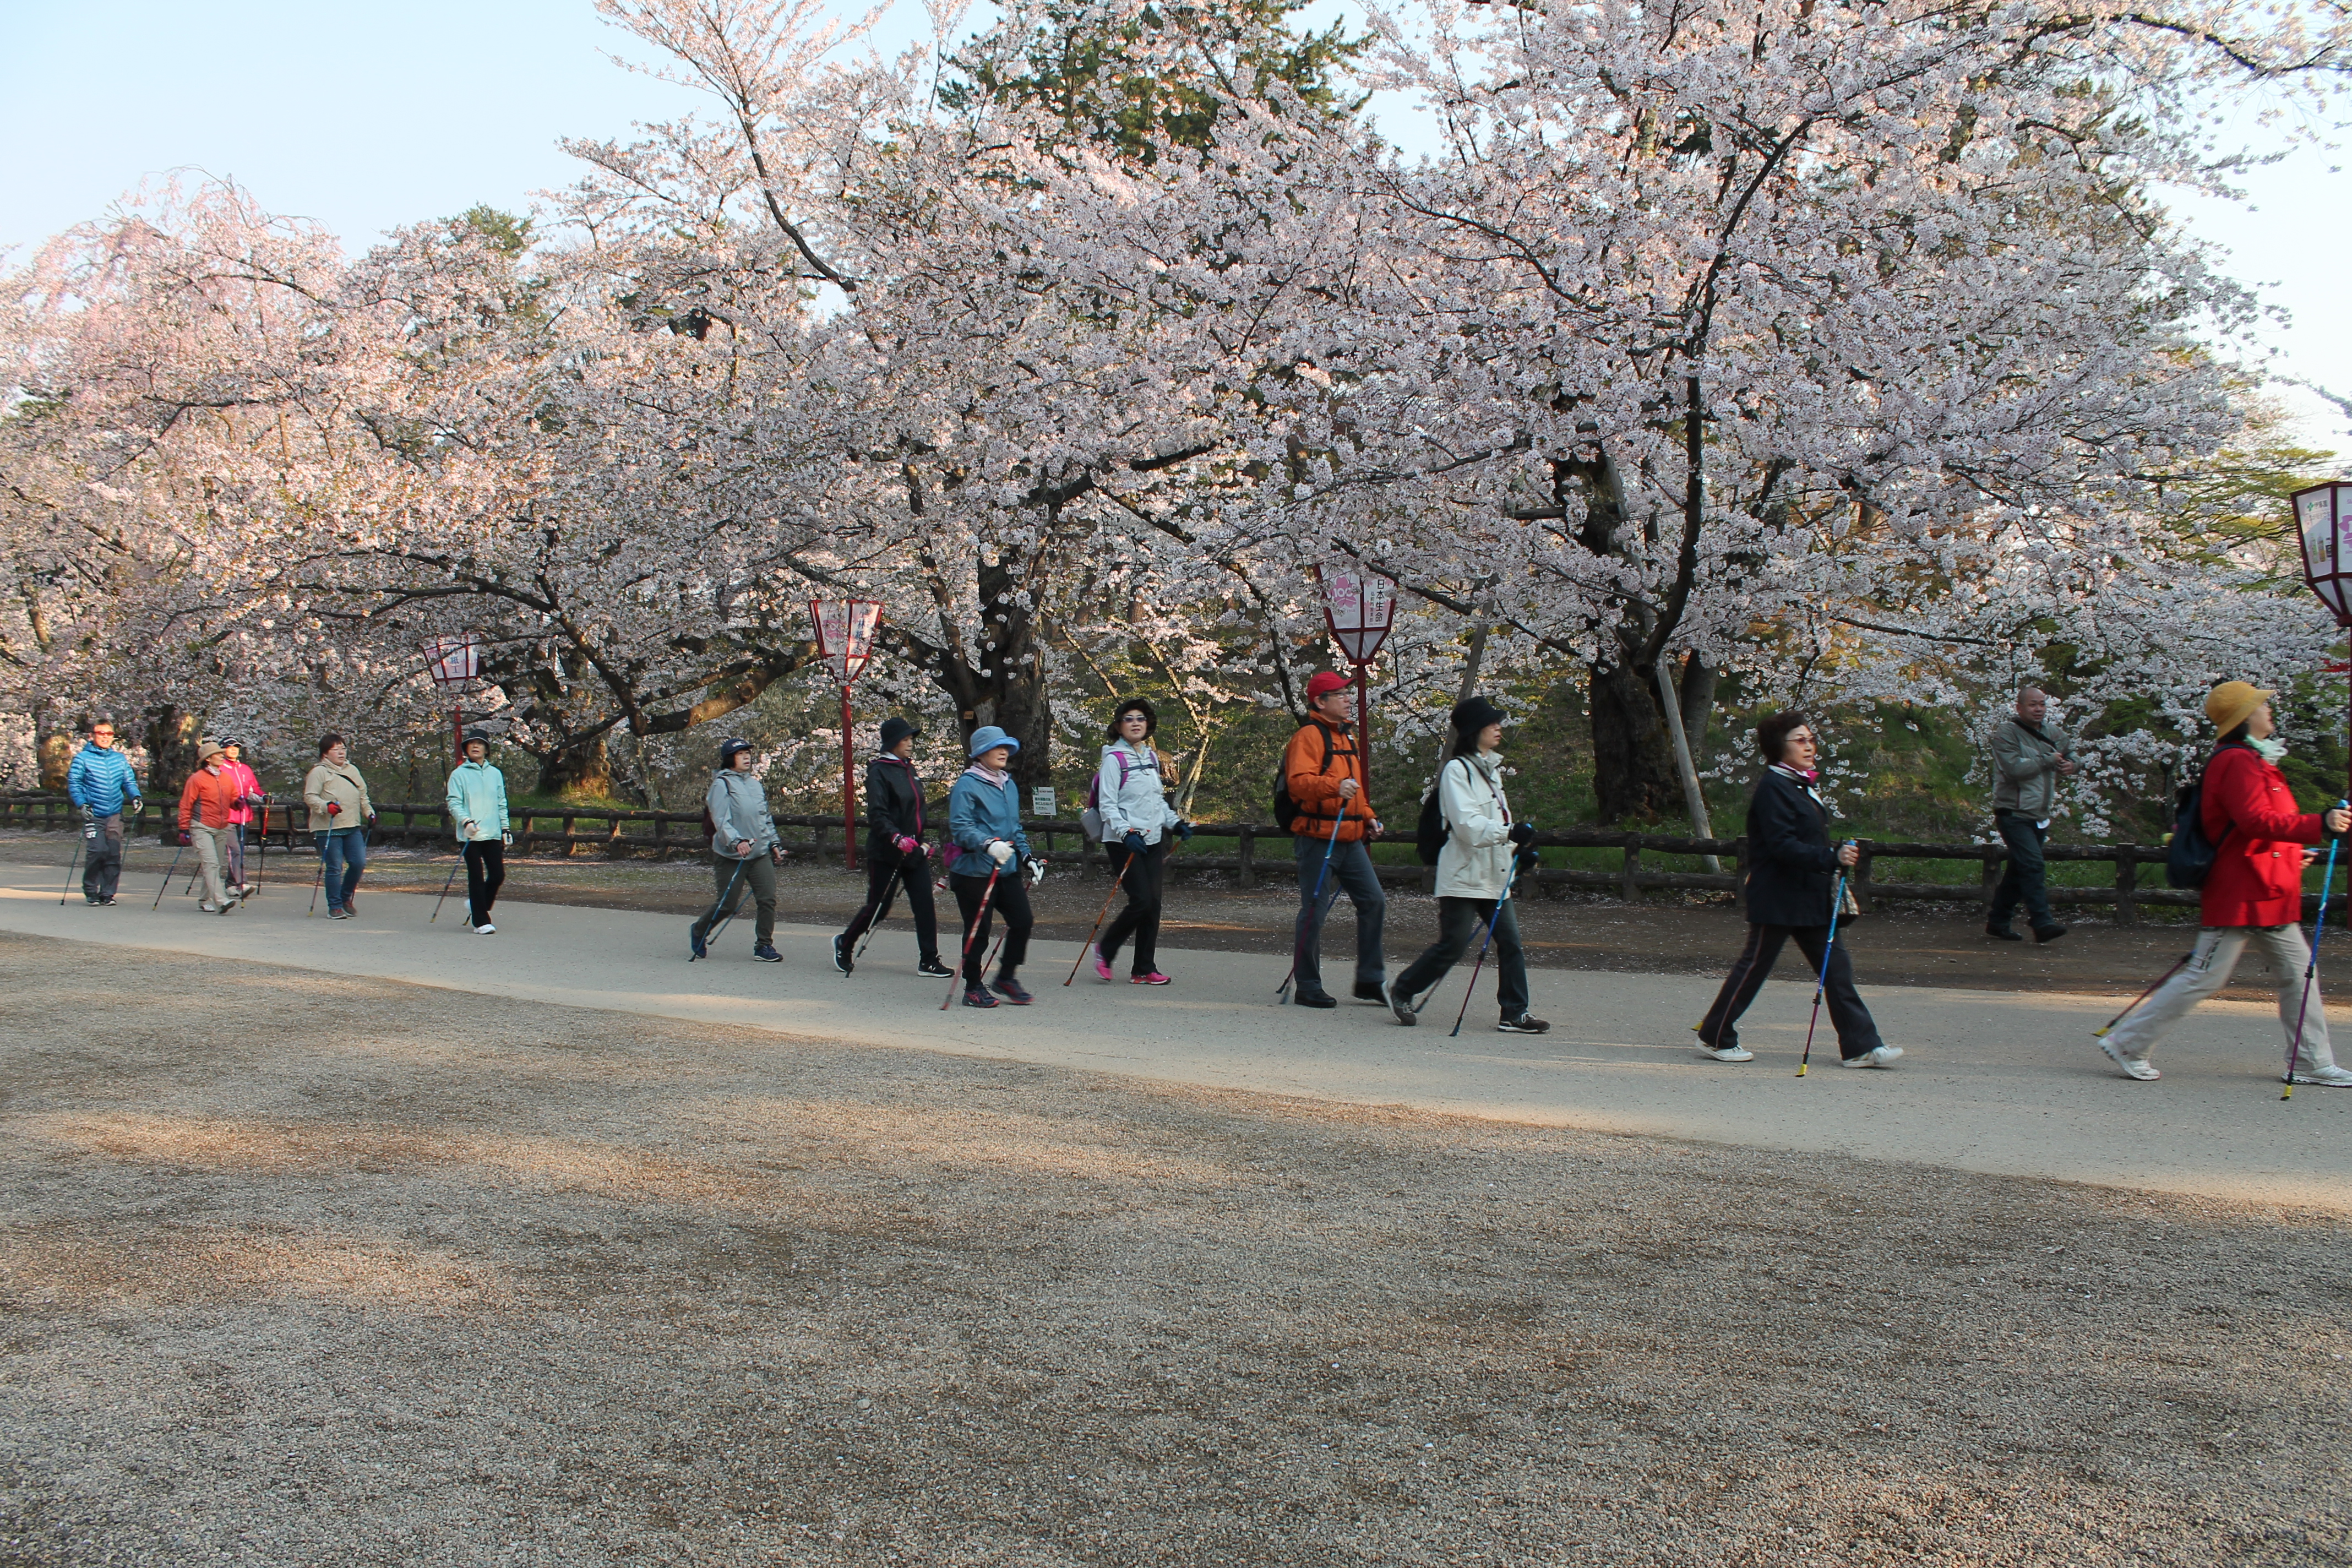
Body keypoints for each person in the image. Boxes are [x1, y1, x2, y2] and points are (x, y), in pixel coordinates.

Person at [2096, 682, 2352, 1085]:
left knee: (2298, 973)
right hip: (2241, 890)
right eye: (2261, 704)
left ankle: (2310, 1062)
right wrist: (2319, 825)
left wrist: (2292, 853)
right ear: (2244, 716)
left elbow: (2258, 830)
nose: (2269, 708)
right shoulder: (2237, 761)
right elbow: (2255, 822)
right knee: (2206, 976)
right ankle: (2128, 1043)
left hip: (2265, 889)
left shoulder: (2254, 760)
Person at [1694, 711, 1902, 1068]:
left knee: (1837, 969)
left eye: (1810, 739)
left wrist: (1832, 857)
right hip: (1777, 896)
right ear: (1779, 747)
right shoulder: (1773, 788)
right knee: (1754, 967)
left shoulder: (1798, 785)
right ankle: (1715, 1035)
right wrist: (1831, 856)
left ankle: (1861, 1046)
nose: (1810, 746)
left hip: (1809, 896)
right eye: (1800, 740)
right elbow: (1781, 846)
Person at [1385, 697, 1550, 1033]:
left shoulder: (1491, 771)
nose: (1498, 727)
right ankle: (1402, 990)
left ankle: (1514, 1012)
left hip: (1494, 876)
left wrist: (1518, 853)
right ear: (1474, 730)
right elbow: (1467, 826)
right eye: (1492, 723)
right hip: (1462, 876)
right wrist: (1509, 833)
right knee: (1454, 944)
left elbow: (1496, 824)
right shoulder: (1457, 771)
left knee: (1512, 942)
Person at [1283, 670, 1387, 1009]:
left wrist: (1369, 817)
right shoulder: (1308, 737)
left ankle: (1371, 980)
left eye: (1347, 693)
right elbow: (1299, 782)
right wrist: (1333, 787)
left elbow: (1356, 792)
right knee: (1314, 909)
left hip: (1351, 838)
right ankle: (1308, 985)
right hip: (1317, 838)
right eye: (1340, 695)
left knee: (1373, 901)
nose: (1347, 699)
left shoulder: (1348, 738)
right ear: (1319, 702)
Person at [834, 717, 951, 978]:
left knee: (924, 904)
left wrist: (923, 840)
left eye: (911, 739)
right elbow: (877, 814)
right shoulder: (879, 771)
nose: (910, 744)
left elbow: (917, 811)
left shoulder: (909, 769)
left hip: (914, 852)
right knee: (879, 907)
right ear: (892, 743)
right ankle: (845, 942)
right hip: (887, 852)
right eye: (905, 740)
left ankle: (929, 960)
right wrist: (896, 838)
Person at [1089, 698, 1191, 985]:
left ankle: (1144, 968)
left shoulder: (1151, 757)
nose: (1136, 723)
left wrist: (1176, 823)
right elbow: (1108, 805)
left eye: (1141, 718)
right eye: (1129, 718)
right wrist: (1126, 832)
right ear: (1119, 726)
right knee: (1141, 900)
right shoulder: (1113, 759)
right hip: (1124, 841)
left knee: (1154, 904)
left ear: (1148, 725)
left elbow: (1156, 802)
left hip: (1152, 839)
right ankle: (1105, 950)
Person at [948, 725, 1041, 1008]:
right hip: (974, 871)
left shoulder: (1008, 784)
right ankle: (973, 987)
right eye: (996, 747)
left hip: (1006, 869)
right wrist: (987, 843)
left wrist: (1027, 858)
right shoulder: (967, 784)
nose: (1003, 752)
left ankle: (1006, 977)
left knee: (1023, 921)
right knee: (979, 930)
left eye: (1006, 747)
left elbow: (1015, 828)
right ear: (980, 754)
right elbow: (960, 827)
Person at [1988, 686, 2076, 943]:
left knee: (2019, 870)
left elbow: (2070, 752)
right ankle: (2042, 921)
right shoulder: (2007, 733)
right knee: (2033, 864)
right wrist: (2048, 760)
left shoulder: (2053, 733)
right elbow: (2014, 768)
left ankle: (1998, 921)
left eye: (2042, 705)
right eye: (2033, 705)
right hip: (2013, 812)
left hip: (2040, 814)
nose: (2039, 709)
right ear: (2019, 707)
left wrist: (2073, 764)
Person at [689, 737, 785, 962]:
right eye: (741, 754)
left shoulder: (754, 784)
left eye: (748, 753)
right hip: (731, 854)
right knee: (727, 905)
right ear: (729, 759)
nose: (747, 757)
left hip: (759, 853)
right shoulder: (721, 784)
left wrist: (775, 844)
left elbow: (765, 819)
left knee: (768, 899)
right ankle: (699, 930)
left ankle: (764, 946)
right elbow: (721, 820)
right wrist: (737, 841)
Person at [65, 714, 139, 906]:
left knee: (113, 853)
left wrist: (136, 797)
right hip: (94, 813)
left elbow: (128, 781)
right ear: (92, 736)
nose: (105, 737)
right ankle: (91, 890)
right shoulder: (83, 759)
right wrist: (82, 803)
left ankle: (108, 893)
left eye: (109, 734)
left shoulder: (119, 759)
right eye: (101, 733)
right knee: (97, 851)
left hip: (114, 813)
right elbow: (74, 783)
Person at [303, 734, 377, 920]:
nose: (341, 752)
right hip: (328, 827)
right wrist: (325, 806)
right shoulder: (318, 772)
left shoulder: (352, 770)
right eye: (336, 749)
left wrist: (369, 812)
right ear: (325, 754)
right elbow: (310, 797)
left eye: (343, 748)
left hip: (352, 825)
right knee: (335, 867)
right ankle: (334, 906)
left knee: (358, 863)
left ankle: (345, 898)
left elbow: (363, 795)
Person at [445, 729, 511, 935]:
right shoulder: (459, 774)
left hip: (491, 832)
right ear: (466, 749)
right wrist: (466, 821)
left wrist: (505, 828)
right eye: (471, 743)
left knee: (498, 875)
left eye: (480, 743)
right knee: (476, 876)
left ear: (486, 749)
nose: (476, 747)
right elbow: (453, 802)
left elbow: (501, 802)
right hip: (470, 834)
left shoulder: (495, 774)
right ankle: (481, 921)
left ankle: (477, 904)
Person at [176, 737, 241, 914]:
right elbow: (186, 805)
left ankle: (204, 899)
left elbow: (232, 798)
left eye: (221, 753)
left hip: (221, 827)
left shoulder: (226, 778)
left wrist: (238, 803)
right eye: (217, 754)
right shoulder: (196, 779)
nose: (221, 756)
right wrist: (183, 828)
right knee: (211, 864)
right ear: (208, 759)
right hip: (201, 827)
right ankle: (222, 900)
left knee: (214, 865)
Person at [217, 739, 265, 899]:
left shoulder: (245, 769)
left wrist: (263, 797)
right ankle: (241, 883)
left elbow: (253, 790)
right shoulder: (220, 768)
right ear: (223, 749)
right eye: (230, 747)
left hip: (244, 816)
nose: (234, 750)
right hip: (227, 816)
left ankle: (231, 885)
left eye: (236, 747)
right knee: (235, 851)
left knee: (239, 852)